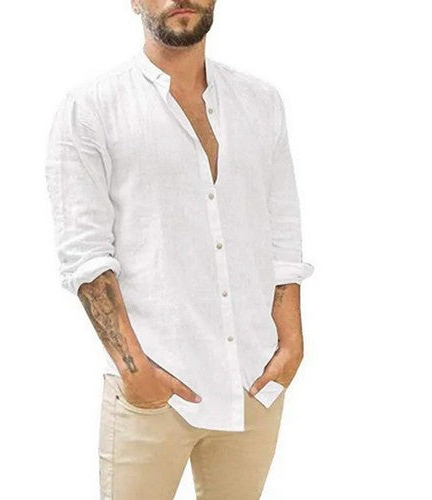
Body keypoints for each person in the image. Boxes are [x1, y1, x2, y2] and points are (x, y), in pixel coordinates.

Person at [45, 1, 314, 498]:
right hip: (153, 388)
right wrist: (135, 370)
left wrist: (291, 343)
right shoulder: (92, 108)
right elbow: (85, 254)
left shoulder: (261, 102)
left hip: (254, 381)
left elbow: (283, 230)